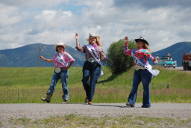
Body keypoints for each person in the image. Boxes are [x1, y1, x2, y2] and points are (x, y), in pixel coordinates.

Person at [124, 36, 159, 108]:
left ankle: (146, 104)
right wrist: (126, 44)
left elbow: (152, 58)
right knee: (134, 87)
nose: (138, 43)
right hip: (137, 71)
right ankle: (131, 103)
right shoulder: (133, 51)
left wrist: (155, 60)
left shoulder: (145, 51)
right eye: (137, 42)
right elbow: (125, 52)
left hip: (145, 71)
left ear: (143, 43)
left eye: (140, 42)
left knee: (146, 88)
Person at [75, 33, 106, 105]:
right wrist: (76, 39)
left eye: (93, 38)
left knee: (92, 82)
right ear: (89, 40)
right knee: (85, 80)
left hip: (96, 65)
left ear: (96, 39)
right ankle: (88, 95)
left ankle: (90, 99)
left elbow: (102, 57)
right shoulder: (86, 46)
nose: (92, 39)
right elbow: (79, 48)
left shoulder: (99, 47)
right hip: (87, 64)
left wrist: (103, 56)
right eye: (91, 38)